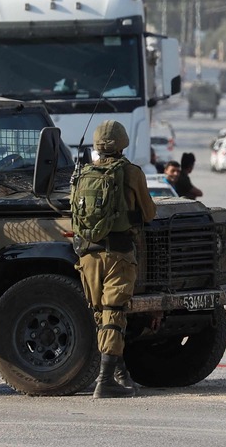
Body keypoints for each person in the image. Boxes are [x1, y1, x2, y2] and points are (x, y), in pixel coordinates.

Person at [76, 120, 156, 399]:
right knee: (114, 312)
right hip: (118, 254)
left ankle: (119, 373)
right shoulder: (131, 173)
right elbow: (148, 213)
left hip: (87, 255)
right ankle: (105, 380)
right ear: (122, 143)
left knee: (102, 314)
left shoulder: (83, 173)